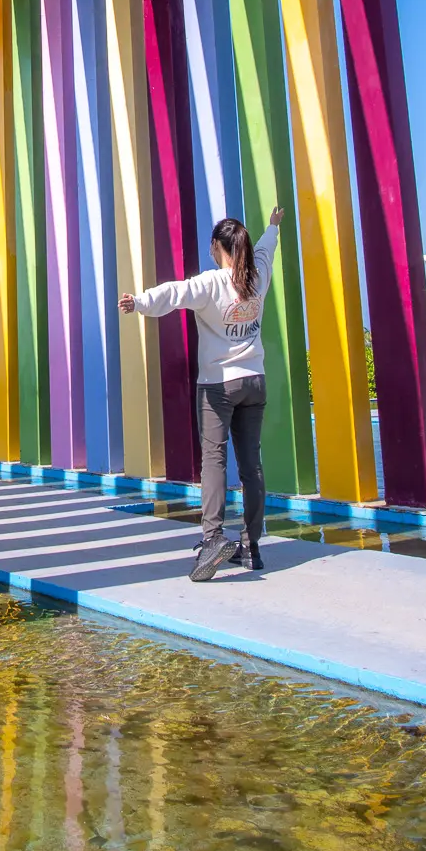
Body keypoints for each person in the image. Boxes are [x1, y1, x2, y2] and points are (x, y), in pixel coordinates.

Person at [118, 208, 284, 582]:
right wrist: (273, 226)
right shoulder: (258, 278)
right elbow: (266, 249)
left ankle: (212, 539)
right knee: (251, 465)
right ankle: (251, 547)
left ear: (216, 248)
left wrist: (139, 302)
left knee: (214, 460)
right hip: (254, 381)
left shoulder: (211, 284)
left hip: (218, 384)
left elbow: (175, 292)